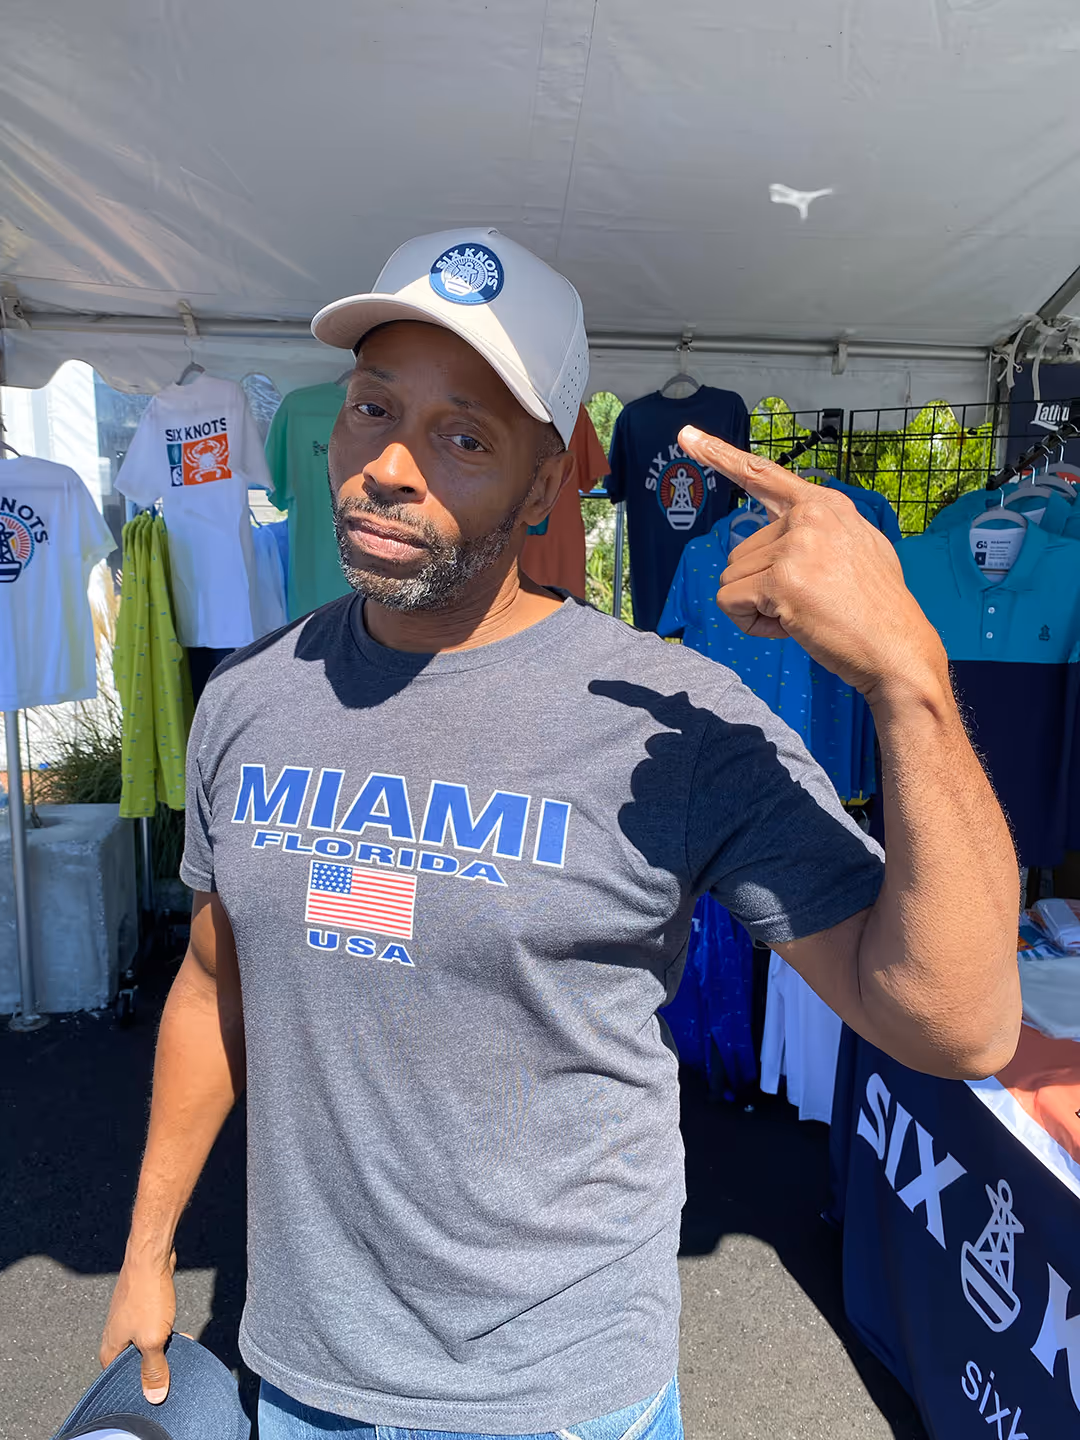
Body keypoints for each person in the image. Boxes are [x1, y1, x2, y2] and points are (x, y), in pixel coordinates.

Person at [100, 229, 1021, 1439]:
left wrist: (910, 677)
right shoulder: (250, 698)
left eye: (465, 437)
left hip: (560, 1400)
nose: (391, 466)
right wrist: (147, 1252)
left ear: (546, 489)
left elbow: (958, 1023)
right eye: (374, 408)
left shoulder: (674, 722)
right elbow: (214, 981)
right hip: (303, 1377)